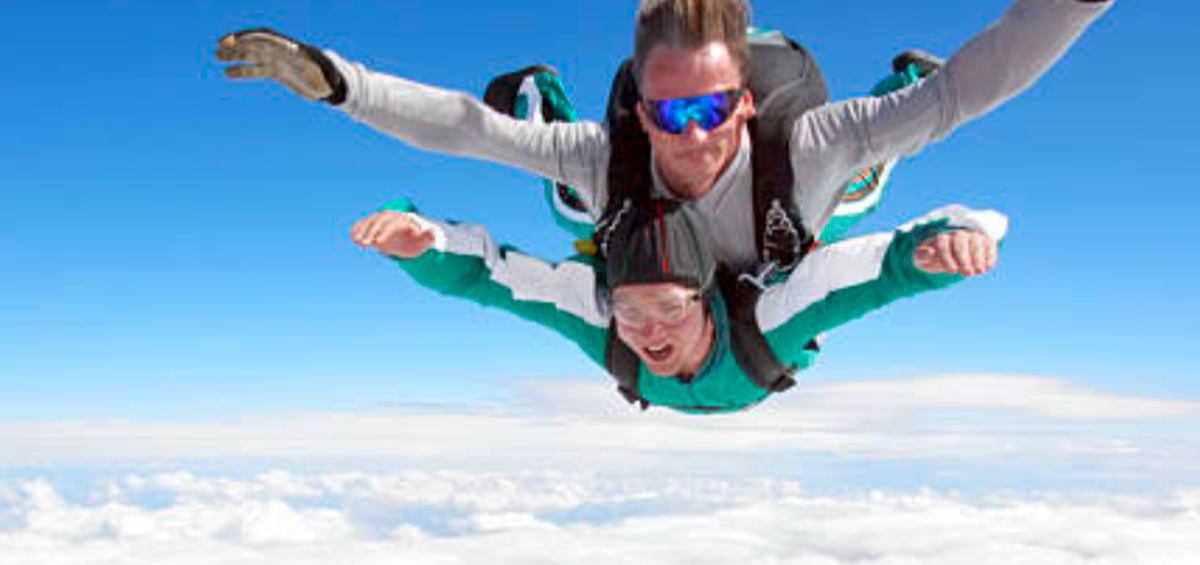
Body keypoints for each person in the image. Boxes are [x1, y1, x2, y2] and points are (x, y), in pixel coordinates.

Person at [217, 0, 1110, 275]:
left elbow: (966, 90)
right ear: (642, 113)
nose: (693, 134)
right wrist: (341, 84)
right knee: (569, 196)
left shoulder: (809, 146)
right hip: (621, 207)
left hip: (799, 209)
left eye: (713, 109)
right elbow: (472, 132)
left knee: (875, 168)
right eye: (670, 114)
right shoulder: (608, 155)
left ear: (745, 104)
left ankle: (893, 80)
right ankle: (545, 93)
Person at [348, 198, 1005, 413]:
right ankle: (537, 95)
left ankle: (905, 88)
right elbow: (491, 278)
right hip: (639, 237)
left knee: (831, 208)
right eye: (629, 311)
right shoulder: (604, 322)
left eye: (668, 309)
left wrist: (949, 243)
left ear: (704, 300)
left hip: (766, 263)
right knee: (579, 205)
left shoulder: (770, 324)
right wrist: (423, 242)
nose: (648, 331)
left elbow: (870, 273)